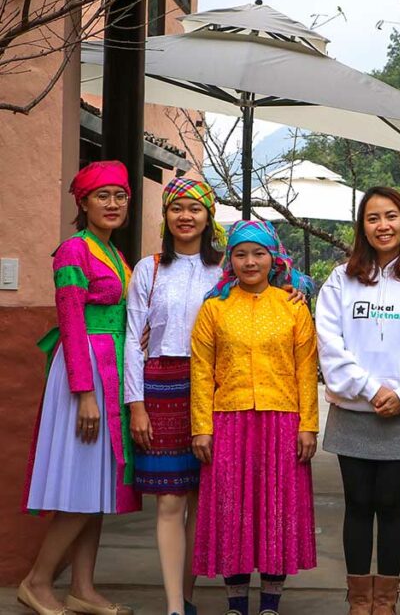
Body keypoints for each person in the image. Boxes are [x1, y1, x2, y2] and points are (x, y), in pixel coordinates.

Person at [316, 186, 400, 614]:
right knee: (357, 504)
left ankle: (386, 600)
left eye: (390, 216)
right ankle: (358, 600)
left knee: (392, 504)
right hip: (354, 409)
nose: (383, 226)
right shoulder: (341, 279)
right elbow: (330, 344)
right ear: (362, 228)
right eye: (373, 218)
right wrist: (372, 389)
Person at [20, 160, 140, 615]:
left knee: (97, 486)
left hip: (110, 367)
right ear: (83, 202)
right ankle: (36, 581)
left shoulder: (114, 252)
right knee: (80, 483)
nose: (112, 204)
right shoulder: (74, 250)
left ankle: (83, 590)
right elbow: (71, 322)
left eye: (120, 196)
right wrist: (84, 392)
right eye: (102, 196)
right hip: (86, 371)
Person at [190, 220, 318, 615]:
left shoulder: (292, 307)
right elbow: (201, 369)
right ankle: (236, 604)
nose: (250, 262)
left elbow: (306, 368)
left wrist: (308, 425)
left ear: (273, 258)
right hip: (228, 419)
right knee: (233, 509)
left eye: (258, 253)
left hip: (282, 419)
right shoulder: (215, 308)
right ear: (230, 260)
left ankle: (270, 605)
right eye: (241, 254)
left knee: (276, 509)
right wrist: (201, 428)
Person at [123, 178, 226, 615]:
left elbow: (275, 281)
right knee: (169, 498)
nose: (185, 216)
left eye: (195, 209)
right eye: (176, 208)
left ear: (208, 217)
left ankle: (187, 596)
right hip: (161, 385)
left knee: (201, 497)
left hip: (214, 387)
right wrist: (137, 405)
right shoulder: (148, 269)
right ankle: (173, 608)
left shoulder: (226, 270)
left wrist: (300, 287)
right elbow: (132, 339)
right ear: (165, 216)